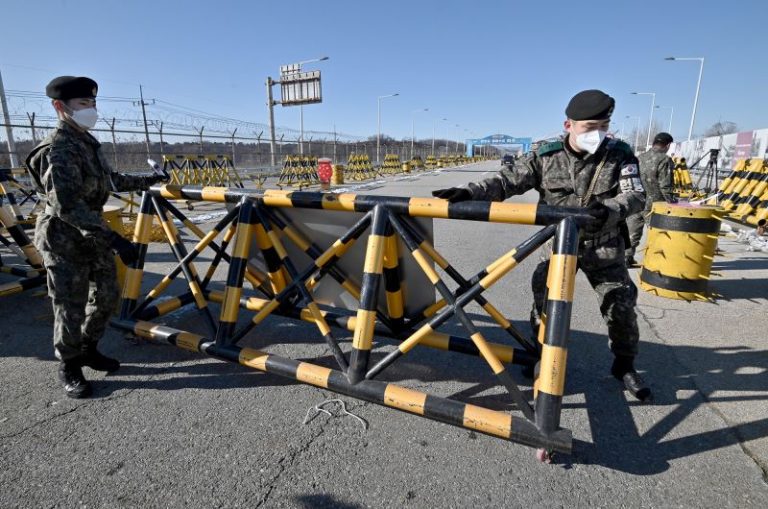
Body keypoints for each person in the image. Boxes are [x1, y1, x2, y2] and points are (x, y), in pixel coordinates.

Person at [432, 89, 653, 402]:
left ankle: (624, 364)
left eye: (604, 126)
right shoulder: (545, 154)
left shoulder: (620, 154)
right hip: (557, 245)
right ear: (568, 126)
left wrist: (611, 210)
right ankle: (539, 356)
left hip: (604, 245)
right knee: (544, 305)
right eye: (590, 128)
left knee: (621, 307)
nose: (598, 134)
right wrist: (469, 193)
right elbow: (507, 181)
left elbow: (636, 196)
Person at [25, 76, 166, 398]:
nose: (90, 110)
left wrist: (150, 180)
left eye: (92, 104)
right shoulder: (58, 150)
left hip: (92, 234)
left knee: (105, 296)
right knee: (69, 306)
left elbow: (110, 180)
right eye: (82, 104)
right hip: (64, 238)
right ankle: (69, 365)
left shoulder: (87, 142)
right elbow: (66, 205)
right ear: (60, 107)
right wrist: (115, 240)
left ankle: (88, 348)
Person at [625, 132, 677, 266]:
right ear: (668, 145)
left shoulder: (639, 158)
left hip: (636, 201)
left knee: (632, 232)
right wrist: (671, 203)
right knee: (658, 234)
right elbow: (665, 185)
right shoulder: (664, 160)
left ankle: (626, 258)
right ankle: (656, 261)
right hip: (655, 204)